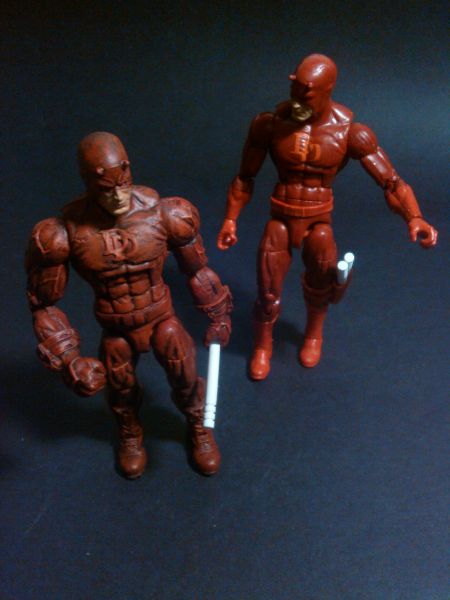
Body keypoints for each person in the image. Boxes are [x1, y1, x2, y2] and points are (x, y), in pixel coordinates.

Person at [217, 54, 437, 380]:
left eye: (306, 96)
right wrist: (231, 219)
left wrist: (414, 217)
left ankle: (313, 335)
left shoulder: (351, 132)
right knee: (267, 292)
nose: (297, 102)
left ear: (327, 90)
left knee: (320, 285)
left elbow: (391, 181)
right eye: (295, 92)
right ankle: (263, 346)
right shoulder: (270, 125)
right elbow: (244, 177)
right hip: (281, 216)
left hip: (318, 221)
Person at [26, 132, 231, 478]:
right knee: (120, 387)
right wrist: (70, 361)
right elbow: (43, 305)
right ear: (88, 182)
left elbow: (197, 271)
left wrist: (218, 316)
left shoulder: (165, 213)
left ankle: (198, 426)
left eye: (122, 184)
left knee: (184, 374)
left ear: (128, 169)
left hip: (161, 316)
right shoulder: (63, 234)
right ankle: (130, 432)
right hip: (116, 325)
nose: (118, 196)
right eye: (106, 190)